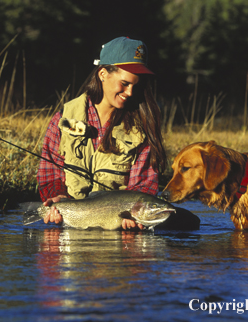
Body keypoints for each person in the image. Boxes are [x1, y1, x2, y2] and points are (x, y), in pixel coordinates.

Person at [36, 36, 167, 230]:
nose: (130, 92)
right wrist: (57, 196)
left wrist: (135, 216)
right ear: (103, 73)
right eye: (124, 83)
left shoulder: (141, 129)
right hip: (69, 223)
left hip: (118, 230)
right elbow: (49, 171)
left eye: (136, 85)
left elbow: (143, 185)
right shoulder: (64, 118)